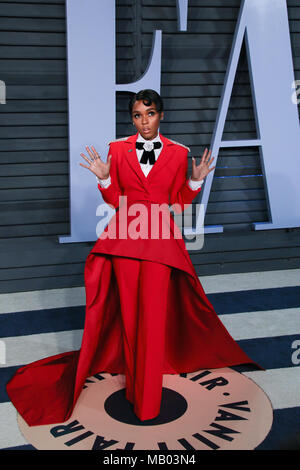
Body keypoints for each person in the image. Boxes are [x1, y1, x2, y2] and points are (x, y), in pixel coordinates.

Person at [6, 89, 263, 426]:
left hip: (159, 243)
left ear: (161, 115)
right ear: (132, 118)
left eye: (150, 113)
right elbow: (115, 200)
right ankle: (133, 380)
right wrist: (104, 178)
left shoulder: (178, 153)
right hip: (125, 241)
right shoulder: (116, 149)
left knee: (153, 317)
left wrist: (195, 182)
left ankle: (147, 400)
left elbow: (178, 204)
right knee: (129, 314)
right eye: (138, 115)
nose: (144, 121)